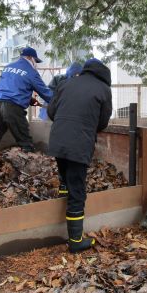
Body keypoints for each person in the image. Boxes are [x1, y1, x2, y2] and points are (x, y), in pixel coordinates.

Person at [47, 58, 112, 253]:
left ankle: (63, 196)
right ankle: (75, 240)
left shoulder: (66, 83)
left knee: (66, 177)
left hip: (57, 140)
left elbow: (51, 112)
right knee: (78, 191)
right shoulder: (103, 89)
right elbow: (102, 123)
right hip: (79, 144)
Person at [0, 47, 53, 162]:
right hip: (13, 109)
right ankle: (29, 172)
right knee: (25, 142)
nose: (36, 64)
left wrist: (29, 99)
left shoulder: (8, 67)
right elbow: (47, 93)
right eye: (35, 61)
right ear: (30, 58)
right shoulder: (31, 72)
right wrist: (61, 102)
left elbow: (11, 87)